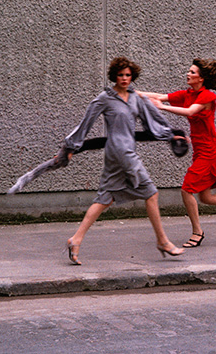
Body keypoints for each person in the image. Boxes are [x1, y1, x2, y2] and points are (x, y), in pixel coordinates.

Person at [63, 56, 185, 265]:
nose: (124, 78)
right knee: (151, 193)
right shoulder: (105, 98)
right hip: (122, 153)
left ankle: (76, 239)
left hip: (122, 153)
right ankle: (163, 241)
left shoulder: (136, 98)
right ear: (114, 76)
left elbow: (152, 121)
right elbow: (86, 122)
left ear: (132, 76)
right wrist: (71, 147)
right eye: (120, 75)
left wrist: (171, 135)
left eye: (128, 75)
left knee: (105, 198)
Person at [139, 58, 216, 248]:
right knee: (205, 197)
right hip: (200, 148)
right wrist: (132, 92)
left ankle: (197, 232)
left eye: (192, 72)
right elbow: (160, 96)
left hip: (209, 149)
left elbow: (191, 112)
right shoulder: (188, 94)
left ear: (201, 78)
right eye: (189, 71)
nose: (188, 74)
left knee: (186, 189)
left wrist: (163, 108)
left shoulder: (206, 96)